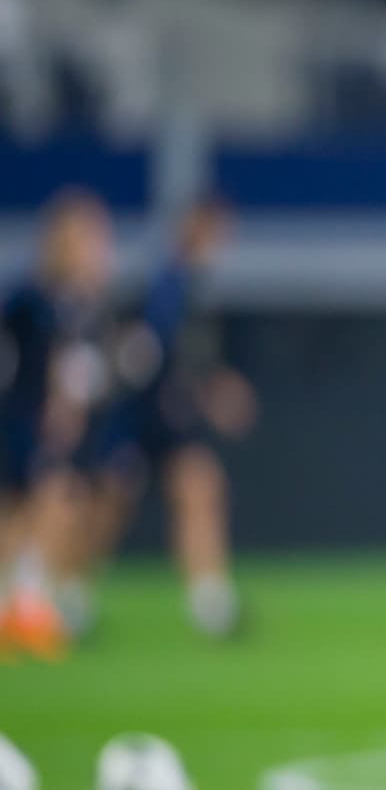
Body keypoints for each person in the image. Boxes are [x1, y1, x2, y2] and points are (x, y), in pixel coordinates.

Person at [90, 193, 255, 638]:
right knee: (105, 504)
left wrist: (211, 388)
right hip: (138, 415)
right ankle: (62, 592)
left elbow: (188, 358)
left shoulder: (194, 285)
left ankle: (210, 600)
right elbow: (145, 354)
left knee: (199, 486)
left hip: (168, 417)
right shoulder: (163, 282)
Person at [0, 187, 116, 659]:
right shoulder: (32, 300)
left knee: (55, 503)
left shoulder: (87, 304)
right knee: (34, 504)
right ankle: (25, 605)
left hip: (60, 425)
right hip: (23, 419)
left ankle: (29, 602)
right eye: (88, 239)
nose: (97, 250)